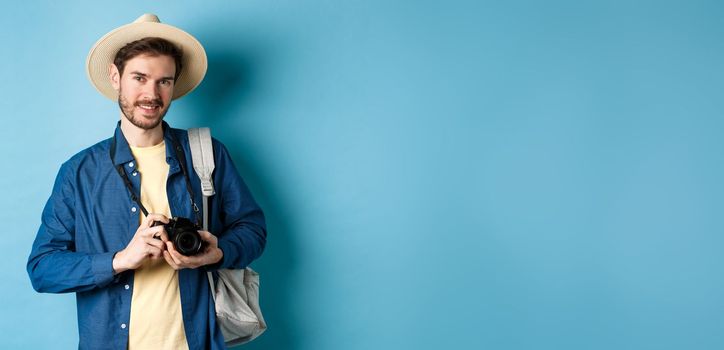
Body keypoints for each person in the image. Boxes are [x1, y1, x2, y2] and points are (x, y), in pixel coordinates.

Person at [26, 14, 266, 350]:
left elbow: (253, 230)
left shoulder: (207, 153)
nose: (151, 94)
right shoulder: (79, 172)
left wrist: (216, 252)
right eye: (140, 77)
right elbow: (42, 269)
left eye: (164, 81)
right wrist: (120, 259)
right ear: (115, 77)